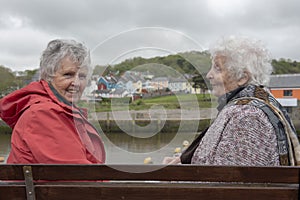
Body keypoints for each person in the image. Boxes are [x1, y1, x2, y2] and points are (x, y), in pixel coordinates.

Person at [164, 35, 300, 166]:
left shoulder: (247, 117)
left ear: (242, 77)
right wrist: (182, 161)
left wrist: (176, 174)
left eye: (217, 68)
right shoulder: (252, 104)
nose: (209, 75)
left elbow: (228, 182)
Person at [0, 39, 106, 164]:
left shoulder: (59, 111)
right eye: (68, 74)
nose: (77, 83)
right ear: (48, 76)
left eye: (82, 76)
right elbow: (76, 174)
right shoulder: (42, 114)